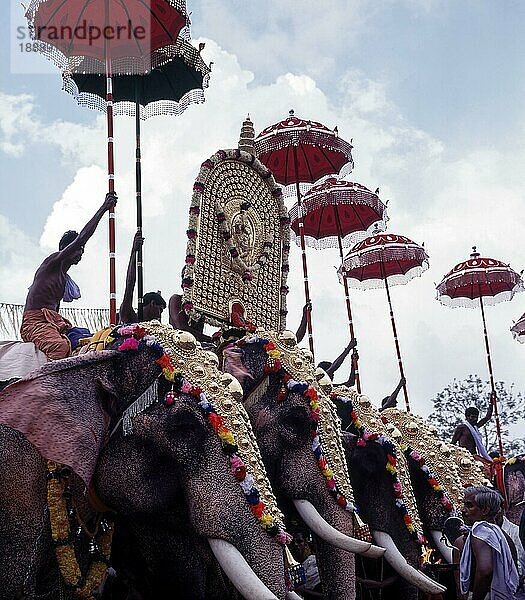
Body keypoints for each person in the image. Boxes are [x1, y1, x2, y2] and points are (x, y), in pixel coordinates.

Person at [20, 192, 117, 360]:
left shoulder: (65, 280)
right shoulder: (51, 263)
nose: (80, 252)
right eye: (78, 249)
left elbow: (54, 311)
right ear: (66, 248)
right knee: (60, 347)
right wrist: (104, 208)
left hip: (55, 323)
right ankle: (47, 384)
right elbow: (81, 239)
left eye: (82, 250)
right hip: (34, 323)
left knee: (88, 337)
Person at [454, 486, 518, 600]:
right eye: (464, 505)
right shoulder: (501, 534)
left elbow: (485, 571)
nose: (463, 510)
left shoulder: (481, 531)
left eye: (469, 505)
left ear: (485, 510)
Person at [119, 231, 166, 323]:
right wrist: (134, 251)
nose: (160, 315)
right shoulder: (130, 316)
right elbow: (130, 285)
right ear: (152, 303)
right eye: (160, 310)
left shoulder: (155, 329)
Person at [168, 272, 212, 343]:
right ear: (183, 286)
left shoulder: (200, 307)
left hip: (196, 346)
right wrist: (211, 339)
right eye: (189, 283)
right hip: (178, 344)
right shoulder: (176, 299)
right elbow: (181, 328)